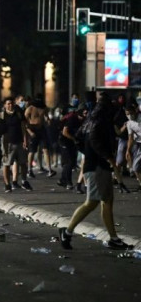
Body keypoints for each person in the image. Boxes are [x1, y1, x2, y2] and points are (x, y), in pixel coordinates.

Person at [59, 93, 133, 251]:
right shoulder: (100, 121)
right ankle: (67, 232)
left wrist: (87, 152)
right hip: (96, 166)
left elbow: (78, 138)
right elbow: (93, 139)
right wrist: (105, 156)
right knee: (92, 201)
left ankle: (114, 239)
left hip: (98, 165)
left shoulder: (90, 120)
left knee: (107, 201)